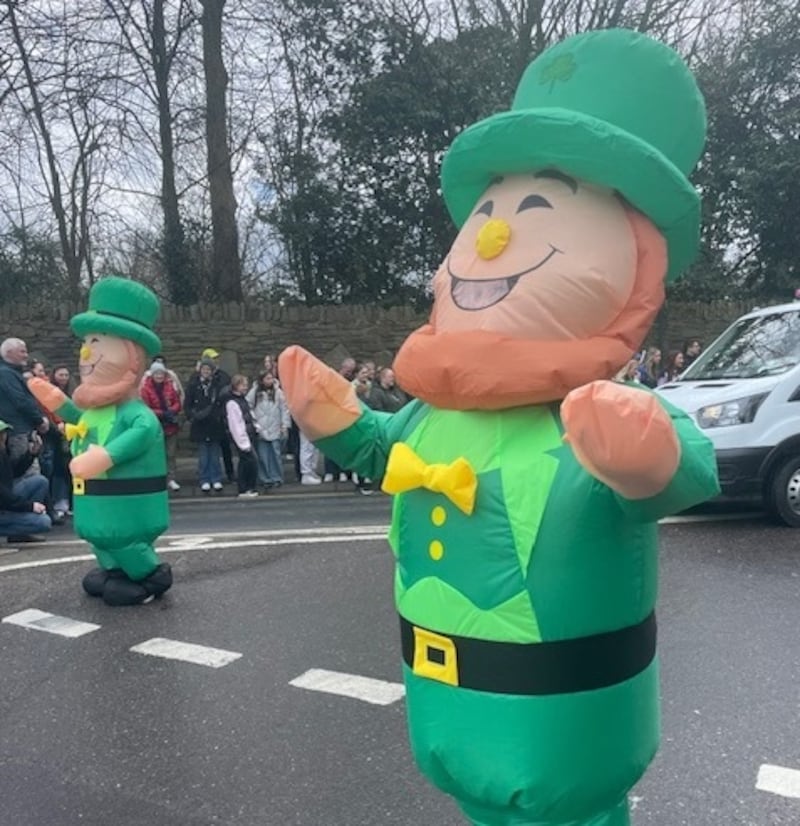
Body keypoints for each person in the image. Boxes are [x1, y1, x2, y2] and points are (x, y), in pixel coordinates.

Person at [278, 30, 720, 826]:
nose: (492, 238)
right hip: (450, 702)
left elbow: (688, 465)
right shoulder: (432, 411)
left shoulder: (586, 415)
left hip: (566, 726)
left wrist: (648, 456)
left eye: (539, 208)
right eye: (490, 211)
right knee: (476, 804)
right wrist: (342, 425)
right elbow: (386, 448)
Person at [28, 277, 172, 605]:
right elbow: (80, 419)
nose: (88, 352)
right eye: (88, 341)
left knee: (125, 541)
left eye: (99, 341)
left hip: (130, 508)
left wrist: (104, 457)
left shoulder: (136, 413)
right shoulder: (95, 411)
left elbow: (141, 434)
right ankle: (114, 571)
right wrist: (57, 401)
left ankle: (151, 575)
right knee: (101, 541)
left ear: (133, 359)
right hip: (95, 502)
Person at [0, 419, 51, 543]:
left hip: (4, 502)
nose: (4, 437)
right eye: (2, 433)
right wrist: (30, 506)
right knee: (43, 521)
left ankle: (20, 535)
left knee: (39, 482)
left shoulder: (2, 452)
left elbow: (13, 472)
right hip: (3, 501)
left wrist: (31, 454)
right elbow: (2, 494)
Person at [0, 338, 49, 464]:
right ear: (9, 353)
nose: (26, 355)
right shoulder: (6, 374)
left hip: (22, 429)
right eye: (22, 352)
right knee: (28, 474)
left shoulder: (11, 373)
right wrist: (39, 420)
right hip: (18, 432)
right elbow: (21, 401)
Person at [184, 358, 226, 493]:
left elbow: (222, 403)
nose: (206, 372)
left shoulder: (217, 385)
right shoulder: (193, 385)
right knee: (203, 455)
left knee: (214, 454)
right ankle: (204, 479)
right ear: (200, 371)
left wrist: (219, 416)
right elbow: (187, 404)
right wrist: (192, 416)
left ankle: (216, 478)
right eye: (204, 369)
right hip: (200, 424)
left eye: (208, 370)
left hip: (214, 424)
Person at [141, 362, 183, 491]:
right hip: (156, 425)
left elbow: (177, 401)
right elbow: (146, 407)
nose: (159, 376)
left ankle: (171, 478)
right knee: (157, 453)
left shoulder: (170, 386)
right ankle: (158, 477)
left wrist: (173, 410)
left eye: (161, 373)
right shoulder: (145, 389)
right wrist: (162, 413)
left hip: (170, 425)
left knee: (171, 454)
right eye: (157, 373)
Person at [247, 370, 289, 488]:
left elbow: (284, 409)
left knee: (276, 455)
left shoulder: (278, 393)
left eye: (271, 378)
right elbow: (248, 406)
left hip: (275, 427)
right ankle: (265, 478)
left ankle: (277, 477)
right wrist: (254, 422)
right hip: (261, 428)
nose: (270, 381)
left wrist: (284, 425)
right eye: (267, 378)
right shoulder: (254, 392)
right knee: (263, 456)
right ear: (262, 380)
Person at [200, 348, 234, 482]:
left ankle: (230, 473)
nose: (216, 361)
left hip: (221, 417)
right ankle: (207, 476)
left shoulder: (223, 376)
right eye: (212, 359)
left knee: (226, 448)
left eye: (216, 359)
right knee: (207, 451)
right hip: (206, 420)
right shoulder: (197, 378)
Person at [225, 374, 259, 498]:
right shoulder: (232, 403)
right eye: (243, 385)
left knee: (245, 463)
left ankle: (245, 488)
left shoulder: (242, 400)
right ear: (236, 386)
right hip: (243, 439)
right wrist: (243, 443)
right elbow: (235, 425)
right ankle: (245, 488)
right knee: (250, 462)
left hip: (249, 435)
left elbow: (249, 415)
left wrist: (256, 427)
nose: (246, 387)